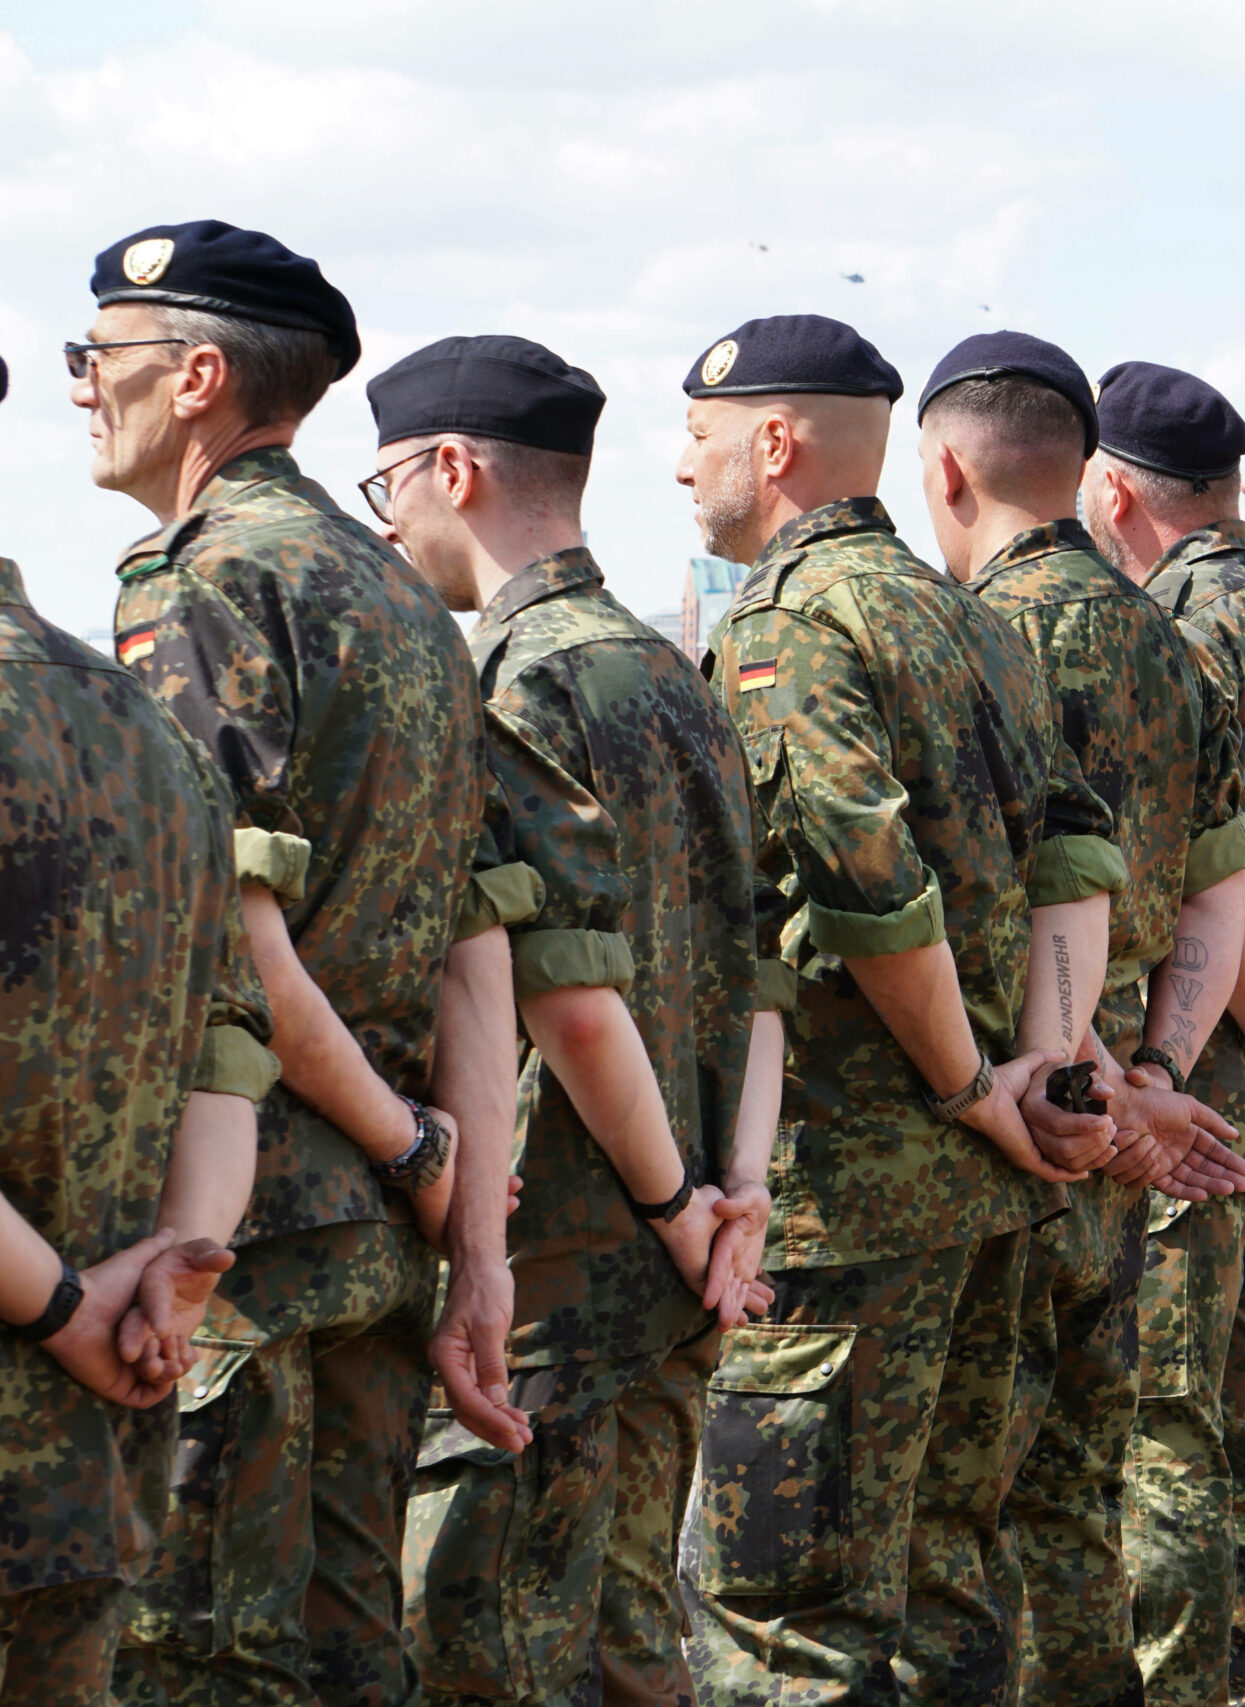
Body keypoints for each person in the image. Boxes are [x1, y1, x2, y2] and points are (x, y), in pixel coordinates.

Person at [675, 314, 1123, 1706]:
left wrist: (965, 1082)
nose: (680, 472)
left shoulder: (792, 619)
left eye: (695, 439)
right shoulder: (966, 616)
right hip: (980, 1201)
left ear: (775, 440)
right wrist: (1045, 1058)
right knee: (944, 1582)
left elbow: (867, 883)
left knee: (786, 1612)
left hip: (852, 1196)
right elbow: (1077, 855)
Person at [76, 220, 495, 1705]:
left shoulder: (196, 580)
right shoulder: (402, 597)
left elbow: (230, 933)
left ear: (196, 378)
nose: (79, 390)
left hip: (238, 1231)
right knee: (344, 1655)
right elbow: (472, 941)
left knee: (200, 1657)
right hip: (376, 1236)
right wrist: (451, 1193)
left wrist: (407, 1139)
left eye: (98, 358)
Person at [365, 334, 779, 1707]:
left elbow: (569, 1000)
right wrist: (736, 1199)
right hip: (680, 1262)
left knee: (483, 1644)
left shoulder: (519, 680)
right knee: (627, 1647)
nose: (389, 526)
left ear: (453, 468)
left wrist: (675, 1205)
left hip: (565, 1265)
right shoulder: (680, 677)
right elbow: (759, 965)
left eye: (385, 493)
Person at [915, 331, 1245, 1707]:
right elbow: (1220, 903)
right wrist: (1154, 1072)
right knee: (1081, 1496)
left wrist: (1086, 1086)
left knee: (954, 1519)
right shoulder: (1174, 648)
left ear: (946, 470)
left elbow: (991, 911)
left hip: (1016, 1133)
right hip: (1123, 1135)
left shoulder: (969, 642)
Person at [0, 348, 277, 1704]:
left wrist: (61, 1304)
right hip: (88, 1464)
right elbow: (232, 1032)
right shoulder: (139, 726)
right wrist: (174, 1267)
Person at [1078, 359, 1245, 1707]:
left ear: (1114, 489)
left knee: (1167, 1433)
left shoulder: (1180, 627)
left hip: (1211, 1091)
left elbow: (1211, 873)